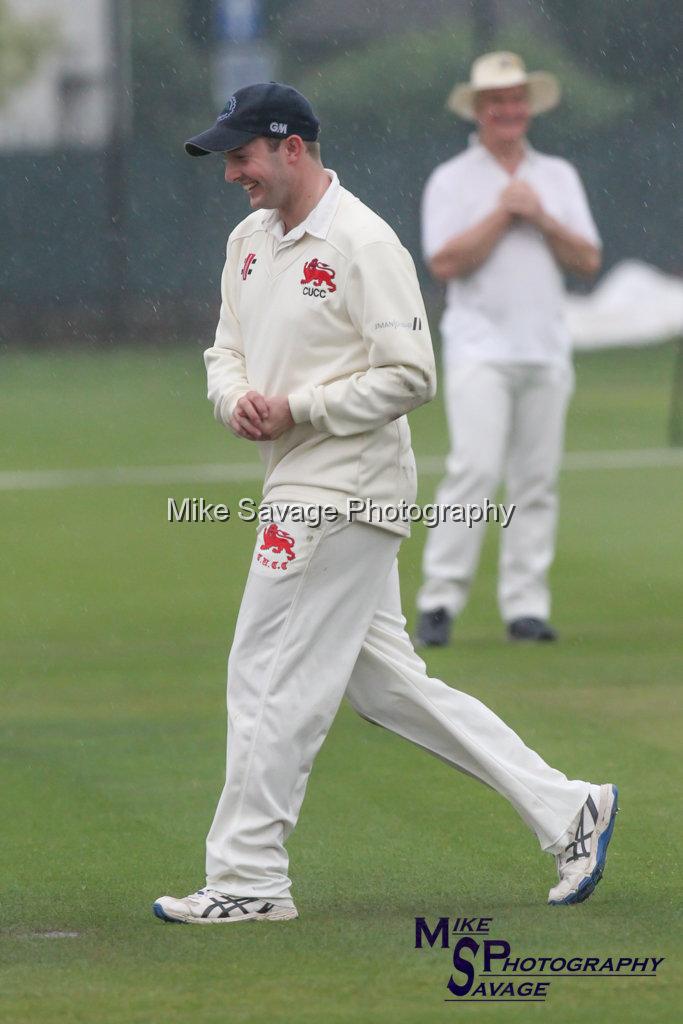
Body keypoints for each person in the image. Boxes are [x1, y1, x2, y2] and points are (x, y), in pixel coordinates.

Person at [153, 82, 616, 925]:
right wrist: (237, 400)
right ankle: (568, 807)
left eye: (242, 155)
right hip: (295, 475)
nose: (233, 173)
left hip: (340, 487)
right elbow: (225, 347)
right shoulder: (248, 242)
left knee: (266, 673)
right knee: (388, 687)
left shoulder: (365, 241)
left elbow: (413, 376)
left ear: (291, 147)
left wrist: (301, 407)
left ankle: (249, 878)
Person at [414, 52, 602, 648]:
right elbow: (445, 262)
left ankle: (526, 607)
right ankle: (439, 600)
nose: (509, 110)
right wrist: (503, 213)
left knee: (536, 480)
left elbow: (587, 261)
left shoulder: (558, 177)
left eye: (517, 99)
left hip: (545, 348)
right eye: (497, 101)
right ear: (479, 109)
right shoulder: (452, 179)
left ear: (528, 107)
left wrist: (540, 217)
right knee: (475, 470)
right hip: (480, 349)